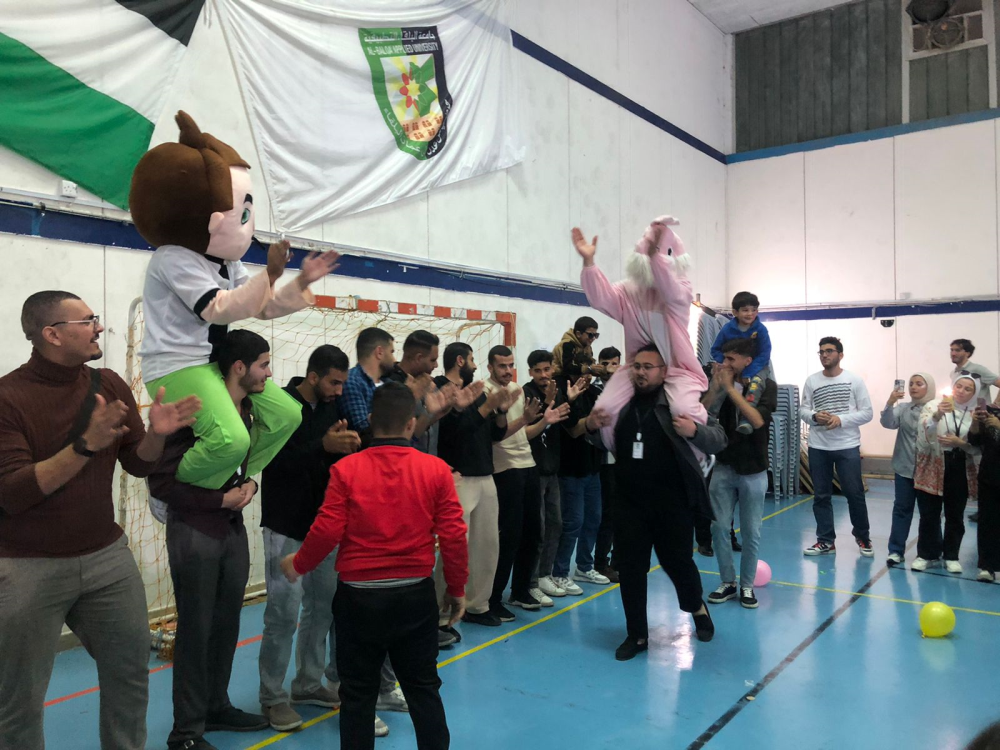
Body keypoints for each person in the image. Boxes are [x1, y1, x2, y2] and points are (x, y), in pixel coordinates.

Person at [0, 291, 200, 750]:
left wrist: (159, 437)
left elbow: (138, 463)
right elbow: (13, 492)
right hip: (27, 566)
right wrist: (85, 445)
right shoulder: (7, 398)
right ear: (52, 334)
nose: (99, 327)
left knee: (130, 675)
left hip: (106, 560)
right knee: (19, 699)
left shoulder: (107, 383)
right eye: (87, 320)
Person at [132, 111, 337, 491]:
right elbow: (218, 308)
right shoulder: (173, 257)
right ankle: (171, 486)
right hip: (177, 365)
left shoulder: (227, 262)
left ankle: (233, 477)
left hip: (213, 361)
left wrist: (300, 281)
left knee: (287, 415)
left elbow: (261, 306)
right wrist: (269, 275)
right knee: (231, 439)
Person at [282, 382, 468, 750]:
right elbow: (453, 535)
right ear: (412, 424)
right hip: (414, 596)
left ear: (369, 420)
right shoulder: (435, 470)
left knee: (357, 695)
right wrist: (457, 588)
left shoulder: (346, 469)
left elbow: (327, 529)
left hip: (359, 600)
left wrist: (299, 564)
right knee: (423, 689)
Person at [149, 330, 284, 749]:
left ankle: (215, 706)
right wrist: (217, 499)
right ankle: (186, 732)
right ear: (239, 368)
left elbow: (245, 466)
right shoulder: (197, 417)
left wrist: (251, 485)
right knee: (196, 629)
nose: (269, 373)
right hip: (195, 531)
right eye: (263, 364)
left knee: (226, 623)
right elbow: (161, 484)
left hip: (230, 529)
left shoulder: (247, 412)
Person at [257, 345, 377, 734]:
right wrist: (321, 447)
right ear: (313, 377)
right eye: (334, 382)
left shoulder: (333, 408)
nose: (340, 391)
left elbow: (333, 462)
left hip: (325, 525)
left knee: (323, 607)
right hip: (285, 524)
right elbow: (271, 461)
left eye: (343, 384)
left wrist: (349, 448)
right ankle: (272, 697)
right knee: (283, 613)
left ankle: (308, 683)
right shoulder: (282, 406)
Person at [585, 344, 726, 661]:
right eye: (637, 366)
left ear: (664, 372)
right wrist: (591, 427)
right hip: (629, 502)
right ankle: (636, 635)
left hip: (671, 503)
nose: (641, 372)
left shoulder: (679, 403)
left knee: (678, 564)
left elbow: (719, 439)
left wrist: (694, 431)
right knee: (630, 569)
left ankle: (696, 607)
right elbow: (600, 438)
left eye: (648, 367)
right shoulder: (621, 403)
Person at [572, 218, 711, 472]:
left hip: (677, 368)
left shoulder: (680, 287)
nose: (654, 258)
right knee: (605, 410)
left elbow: (669, 289)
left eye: (659, 253)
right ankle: (622, 455)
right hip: (636, 367)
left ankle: (699, 459)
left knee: (683, 409)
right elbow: (602, 298)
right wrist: (589, 263)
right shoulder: (628, 291)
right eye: (650, 252)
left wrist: (657, 255)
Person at [484, 346, 569, 618]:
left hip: (528, 465)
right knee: (509, 536)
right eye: (502, 366)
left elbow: (525, 432)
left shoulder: (517, 391)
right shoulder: (486, 393)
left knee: (533, 533)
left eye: (510, 365)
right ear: (490, 367)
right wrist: (524, 419)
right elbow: (496, 436)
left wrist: (544, 421)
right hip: (505, 469)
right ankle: (493, 598)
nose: (507, 370)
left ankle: (520, 590)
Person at [433, 343, 511, 631]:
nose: (476, 366)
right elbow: (453, 433)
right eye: (472, 360)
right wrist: (485, 408)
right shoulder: (440, 389)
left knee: (486, 546)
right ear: (459, 360)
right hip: (458, 477)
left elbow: (495, 434)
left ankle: (478, 605)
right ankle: (441, 612)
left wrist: (500, 411)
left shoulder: (476, 392)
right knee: (453, 549)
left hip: (485, 475)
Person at [703, 338, 777, 610]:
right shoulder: (722, 384)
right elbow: (702, 411)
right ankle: (727, 582)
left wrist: (730, 390)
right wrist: (716, 387)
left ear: (748, 361)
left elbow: (756, 420)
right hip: (723, 466)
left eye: (731, 359)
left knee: (751, 531)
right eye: (724, 358)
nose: (726, 364)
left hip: (753, 470)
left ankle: (746, 585)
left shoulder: (766, 386)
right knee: (719, 527)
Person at [799, 337, 874, 557]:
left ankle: (863, 537)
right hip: (818, 447)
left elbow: (867, 413)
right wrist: (815, 416)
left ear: (840, 355)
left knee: (854, 494)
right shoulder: (812, 381)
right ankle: (825, 541)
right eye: (821, 351)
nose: (824, 355)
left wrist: (841, 420)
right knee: (821, 496)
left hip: (847, 446)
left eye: (829, 351)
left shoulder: (854, 380)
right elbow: (803, 410)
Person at [521, 350, 585, 602]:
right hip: (533, 470)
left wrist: (571, 400)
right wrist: (548, 405)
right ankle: (530, 581)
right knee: (536, 528)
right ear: (530, 372)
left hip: (552, 470)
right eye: (538, 370)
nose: (543, 374)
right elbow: (529, 429)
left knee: (555, 523)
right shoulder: (526, 394)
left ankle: (545, 574)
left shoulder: (557, 391)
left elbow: (571, 426)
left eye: (546, 369)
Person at [912, 372, 982, 573]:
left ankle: (951, 555)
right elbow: (923, 433)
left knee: (955, 514)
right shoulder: (934, 405)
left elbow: (978, 447)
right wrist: (937, 416)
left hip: (959, 465)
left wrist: (960, 443)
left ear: (974, 393)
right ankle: (927, 554)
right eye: (958, 386)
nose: (961, 391)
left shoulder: (974, 413)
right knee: (929, 513)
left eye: (968, 389)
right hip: (933, 463)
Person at [553, 370, 609, 595]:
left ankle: (584, 566)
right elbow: (574, 430)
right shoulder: (563, 393)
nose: (586, 376)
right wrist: (589, 419)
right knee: (572, 522)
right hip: (571, 469)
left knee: (594, 519)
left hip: (592, 466)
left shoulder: (594, 392)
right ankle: (559, 572)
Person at [880, 373, 936, 568]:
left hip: (928, 470)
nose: (913, 387)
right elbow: (888, 423)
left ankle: (930, 553)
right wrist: (890, 402)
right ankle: (896, 551)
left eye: (919, 384)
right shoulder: (903, 408)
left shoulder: (936, 408)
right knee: (902, 509)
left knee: (929, 513)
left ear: (929, 387)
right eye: (911, 383)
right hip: (904, 467)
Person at [710, 291, 772, 435]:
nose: (750, 314)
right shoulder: (727, 329)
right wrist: (726, 364)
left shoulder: (761, 330)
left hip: (757, 367)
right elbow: (715, 349)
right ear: (735, 312)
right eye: (745, 310)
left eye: (754, 310)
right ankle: (710, 415)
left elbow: (765, 354)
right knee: (720, 381)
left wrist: (748, 372)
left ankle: (746, 419)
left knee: (756, 384)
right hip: (733, 367)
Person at [382, 330, 454, 454]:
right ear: (419, 358)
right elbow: (394, 435)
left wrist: (441, 411)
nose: (436, 365)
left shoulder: (428, 384)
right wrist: (408, 398)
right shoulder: (390, 385)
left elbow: (419, 431)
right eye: (432, 360)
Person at [593, 346, 621, 582]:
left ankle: (618, 560)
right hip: (602, 461)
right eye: (605, 363)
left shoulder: (627, 389)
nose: (609, 368)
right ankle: (599, 563)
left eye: (614, 363)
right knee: (606, 515)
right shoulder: (592, 389)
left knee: (624, 513)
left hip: (625, 461)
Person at [340, 327, 396, 444]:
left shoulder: (390, 384)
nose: (394, 359)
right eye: (391, 352)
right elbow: (362, 429)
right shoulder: (352, 381)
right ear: (379, 352)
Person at [969, 403, 1000, 582]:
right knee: (987, 522)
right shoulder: (990, 410)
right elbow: (974, 441)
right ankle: (987, 566)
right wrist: (975, 423)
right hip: (989, 475)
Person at [552, 316, 599, 381]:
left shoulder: (587, 347)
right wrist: (588, 369)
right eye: (590, 335)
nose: (593, 338)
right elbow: (567, 368)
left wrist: (600, 370)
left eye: (596, 335)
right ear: (578, 334)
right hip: (559, 379)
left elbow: (589, 364)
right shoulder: (567, 344)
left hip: (577, 381)